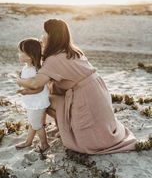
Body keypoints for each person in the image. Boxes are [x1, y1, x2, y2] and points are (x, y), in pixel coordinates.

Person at [17, 19, 138, 155]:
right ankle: (66, 127)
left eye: (44, 33)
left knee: (43, 101)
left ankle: (67, 129)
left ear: (52, 37)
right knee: (48, 97)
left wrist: (19, 80)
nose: (41, 37)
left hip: (84, 97)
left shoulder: (55, 59)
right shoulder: (71, 51)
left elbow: (35, 83)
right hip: (96, 92)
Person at [15, 38, 50, 152]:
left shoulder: (34, 71)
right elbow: (26, 83)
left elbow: (39, 88)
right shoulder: (27, 68)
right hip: (32, 101)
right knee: (32, 122)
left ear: (29, 56)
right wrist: (21, 77)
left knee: (37, 125)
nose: (18, 54)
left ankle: (44, 144)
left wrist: (26, 92)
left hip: (37, 102)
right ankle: (28, 142)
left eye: (21, 52)